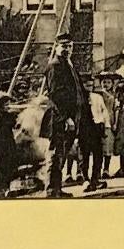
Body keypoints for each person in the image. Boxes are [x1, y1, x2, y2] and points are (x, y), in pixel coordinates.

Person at [43, 31, 84, 198]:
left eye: (70, 46)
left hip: (71, 118)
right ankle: (52, 190)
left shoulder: (68, 65)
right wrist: (66, 117)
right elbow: (55, 94)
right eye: (64, 46)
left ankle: (57, 188)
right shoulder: (55, 66)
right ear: (56, 47)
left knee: (62, 153)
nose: (67, 49)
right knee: (55, 153)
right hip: (59, 118)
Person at [78, 74, 108, 192]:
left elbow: (104, 112)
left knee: (98, 154)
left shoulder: (97, 97)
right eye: (86, 85)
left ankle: (95, 178)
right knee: (84, 155)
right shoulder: (79, 98)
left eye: (91, 85)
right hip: (84, 129)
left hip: (96, 128)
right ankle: (86, 179)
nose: (89, 88)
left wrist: (105, 126)